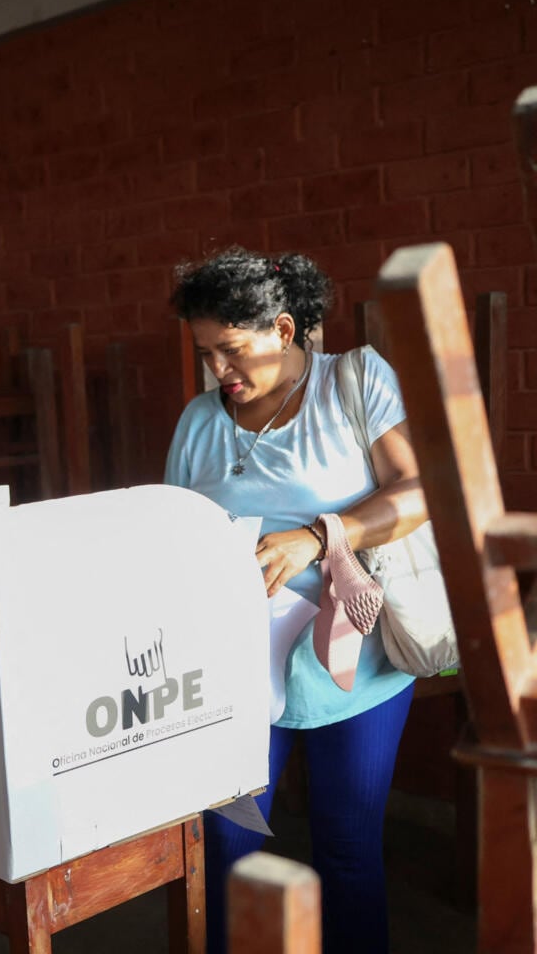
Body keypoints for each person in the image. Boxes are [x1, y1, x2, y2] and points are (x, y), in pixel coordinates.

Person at [163, 247, 426, 953]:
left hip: (356, 664)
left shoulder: (354, 381)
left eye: (232, 350)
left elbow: (419, 490)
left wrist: (317, 537)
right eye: (205, 354)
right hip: (238, 676)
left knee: (346, 848)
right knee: (226, 850)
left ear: (283, 330)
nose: (219, 370)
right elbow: (173, 539)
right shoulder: (199, 423)